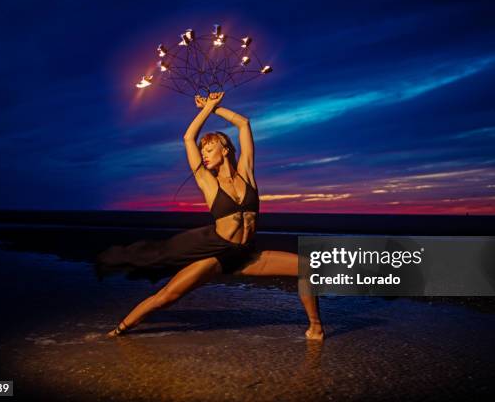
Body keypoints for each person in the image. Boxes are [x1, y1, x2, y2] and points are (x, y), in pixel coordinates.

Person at [96, 92, 324, 340]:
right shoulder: (207, 182)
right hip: (215, 255)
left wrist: (216, 107)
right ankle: (119, 331)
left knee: (308, 268)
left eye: (209, 148)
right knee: (166, 297)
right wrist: (206, 110)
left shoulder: (246, 173)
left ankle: (315, 328)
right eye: (203, 150)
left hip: (245, 255)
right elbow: (188, 138)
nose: (204, 154)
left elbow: (243, 123)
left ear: (225, 150)